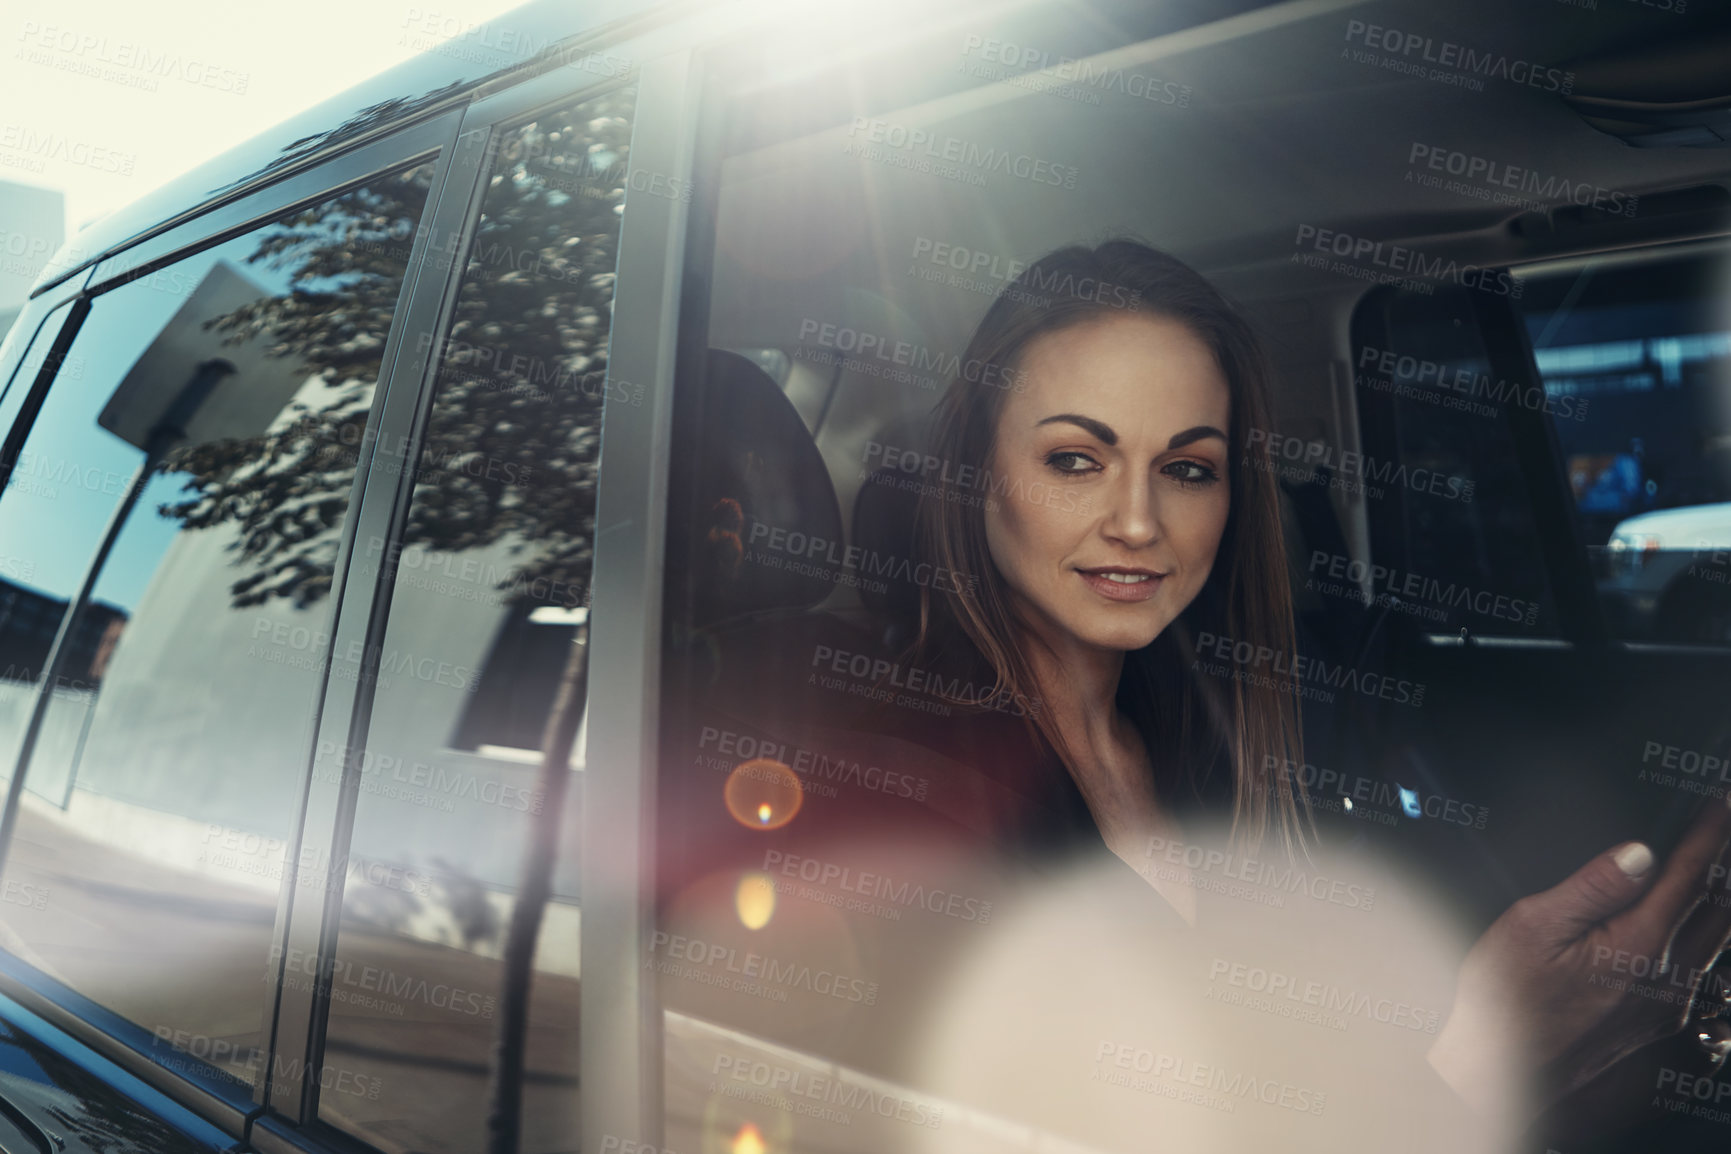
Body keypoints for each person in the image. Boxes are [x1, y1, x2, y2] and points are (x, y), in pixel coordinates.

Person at [888, 238, 1731, 1132]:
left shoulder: (1215, 748)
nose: (1137, 522)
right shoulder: (917, 795)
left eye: (1186, 470)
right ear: (974, 473)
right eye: (1073, 459)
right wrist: (1488, 1043)